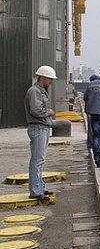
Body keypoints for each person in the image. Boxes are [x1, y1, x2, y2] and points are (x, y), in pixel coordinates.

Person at [24, 66, 57, 202]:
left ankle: (39, 187)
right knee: (37, 160)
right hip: (38, 127)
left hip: (41, 127)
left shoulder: (40, 91)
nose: (51, 82)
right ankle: (36, 191)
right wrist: (49, 112)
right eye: (49, 79)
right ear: (42, 77)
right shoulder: (35, 91)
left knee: (40, 160)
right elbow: (36, 111)